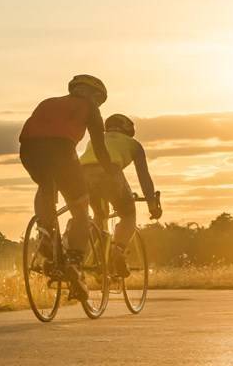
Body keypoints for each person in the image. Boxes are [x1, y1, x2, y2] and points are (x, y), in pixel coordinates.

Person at [18, 74, 117, 301]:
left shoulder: (48, 102)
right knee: (80, 209)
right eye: (99, 100)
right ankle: (74, 261)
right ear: (94, 95)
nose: (98, 104)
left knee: (45, 185)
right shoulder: (90, 108)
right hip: (62, 150)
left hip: (29, 150)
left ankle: (45, 232)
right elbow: (100, 148)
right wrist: (110, 172)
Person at [79, 114, 163, 278]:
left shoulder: (95, 139)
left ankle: (92, 261)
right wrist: (152, 205)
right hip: (110, 172)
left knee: (99, 216)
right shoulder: (134, 144)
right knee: (128, 214)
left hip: (83, 174)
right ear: (128, 129)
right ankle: (117, 251)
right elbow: (144, 176)